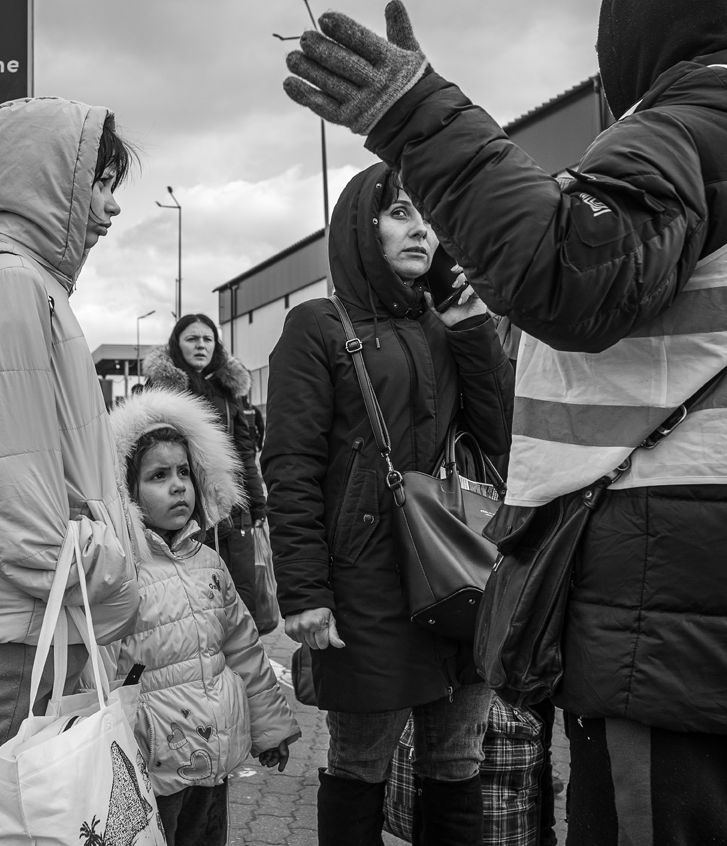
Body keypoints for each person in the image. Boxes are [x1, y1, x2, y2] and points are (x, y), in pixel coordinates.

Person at [281, 0, 727, 846]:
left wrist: (420, 119)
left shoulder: (697, 121)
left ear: (637, 41)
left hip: (673, 603)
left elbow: (571, 274)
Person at [263, 163, 515, 845]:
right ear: (360, 226)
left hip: (457, 569)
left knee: (458, 764)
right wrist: (305, 592)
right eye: (401, 211)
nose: (421, 229)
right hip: (365, 584)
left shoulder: (447, 325)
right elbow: (290, 467)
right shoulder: (316, 325)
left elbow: (499, 438)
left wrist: (468, 324)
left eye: (428, 216)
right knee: (359, 764)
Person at [0, 97, 144, 846]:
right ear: (50, 180)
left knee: (3, 810)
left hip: (22, 606)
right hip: (17, 611)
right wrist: (103, 568)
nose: (110, 207)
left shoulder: (22, 283)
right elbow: (6, 477)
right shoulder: (12, 285)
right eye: (101, 183)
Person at [109, 388, 300, 846]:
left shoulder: (210, 564)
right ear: (126, 491)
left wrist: (270, 727)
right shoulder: (118, 570)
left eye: (183, 473)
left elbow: (245, 650)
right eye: (158, 475)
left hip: (214, 753)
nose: (178, 485)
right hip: (152, 758)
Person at [143, 315, 274, 633]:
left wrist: (257, 504)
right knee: (193, 603)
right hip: (185, 511)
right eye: (192, 338)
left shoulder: (229, 390)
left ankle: (243, 671)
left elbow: (244, 453)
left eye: (207, 339)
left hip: (232, 510)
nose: (201, 344)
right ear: (177, 343)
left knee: (239, 602)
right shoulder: (162, 390)